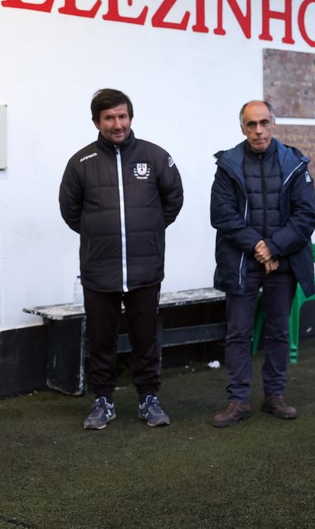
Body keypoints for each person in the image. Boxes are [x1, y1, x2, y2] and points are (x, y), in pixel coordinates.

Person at [59, 88, 184, 430]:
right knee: (102, 340)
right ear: (96, 122)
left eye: (123, 116)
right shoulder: (81, 163)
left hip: (146, 268)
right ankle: (103, 400)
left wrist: (147, 230)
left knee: (146, 338)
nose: (118, 124)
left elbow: (173, 200)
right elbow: (71, 212)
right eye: (109, 118)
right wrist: (102, 236)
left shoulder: (155, 157)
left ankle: (148, 398)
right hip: (100, 270)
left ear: (131, 117)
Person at [210, 100, 315, 427]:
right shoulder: (228, 165)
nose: (258, 130)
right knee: (238, 333)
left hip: (282, 262)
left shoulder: (295, 163)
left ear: (273, 124)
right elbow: (222, 215)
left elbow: (305, 216)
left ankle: (275, 395)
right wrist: (259, 247)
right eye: (251, 124)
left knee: (278, 332)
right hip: (241, 262)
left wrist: (273, 248)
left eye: (264, 123)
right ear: (242, 128)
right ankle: (238, 400)